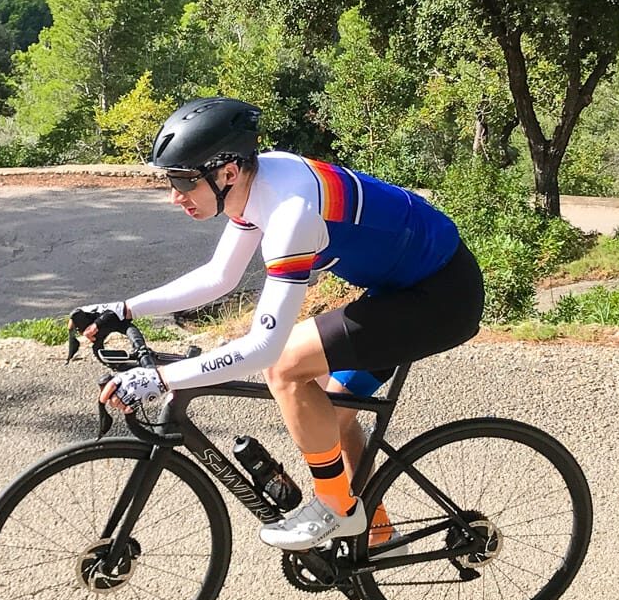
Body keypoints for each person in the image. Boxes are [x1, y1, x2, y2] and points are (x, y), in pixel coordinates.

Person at [76, 97, 484, 551]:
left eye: (184, 180)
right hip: (398, 289)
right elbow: (219, 276)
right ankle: (378, 534)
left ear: (227, 172)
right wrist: (124, 308)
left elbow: (265, 349)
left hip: (441, 297)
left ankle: (336, 508)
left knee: (287, 368)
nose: (175, 195)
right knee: (334, 412)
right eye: (171, 180)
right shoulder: (256, 184)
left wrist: (160, 378)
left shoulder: (292, 211)